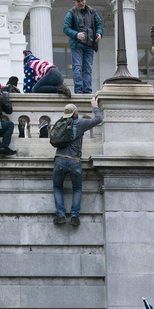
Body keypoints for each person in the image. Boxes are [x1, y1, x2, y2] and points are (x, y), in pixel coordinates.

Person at [52, 97, 102, 226]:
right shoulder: (79, 123)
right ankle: (74, 216)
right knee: (77, 188)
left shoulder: (59, 123)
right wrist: (95, 106)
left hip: (59, 159)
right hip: (74, 160)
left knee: (57, 188)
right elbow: (98, 119)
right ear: (75, 113)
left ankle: (61, 215)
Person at [63, 0, 103, 94]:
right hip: (77, 45)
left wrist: (99, 33)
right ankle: (79, 91)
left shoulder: (92, 12)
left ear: (85, 0)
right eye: (78, 1)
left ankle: (88, 91)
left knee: (88, 69)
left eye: (82, 0)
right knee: (77, 67)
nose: (81, 3)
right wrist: (76, 34)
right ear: (74, 3)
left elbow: (99, 24)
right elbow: (66, 28)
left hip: (89, 45)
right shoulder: (71, 13)